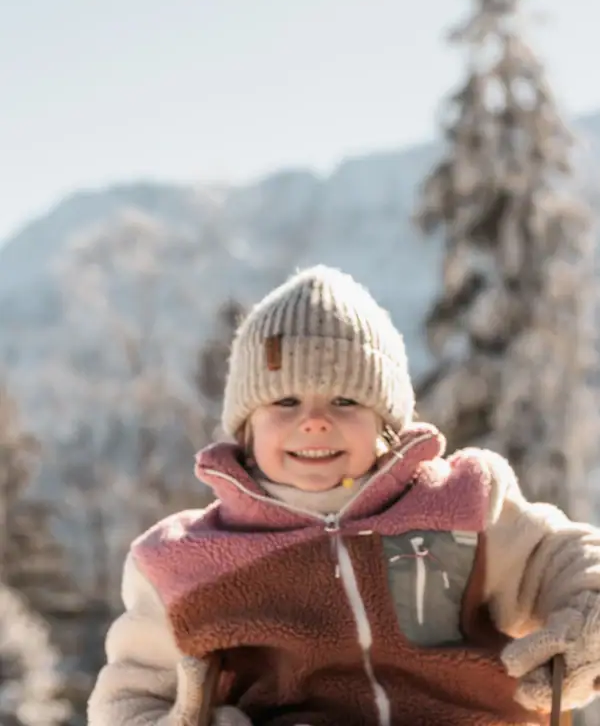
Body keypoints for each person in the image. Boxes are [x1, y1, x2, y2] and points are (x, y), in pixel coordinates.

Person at [88, 265, 600, 726]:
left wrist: (587, 614)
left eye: (345, 399)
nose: (314, 421)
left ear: (387, 425)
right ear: (245, 429)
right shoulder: (189, 562)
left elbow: (557, 557)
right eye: (285, 400)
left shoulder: (460, 505)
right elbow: (127, 699)